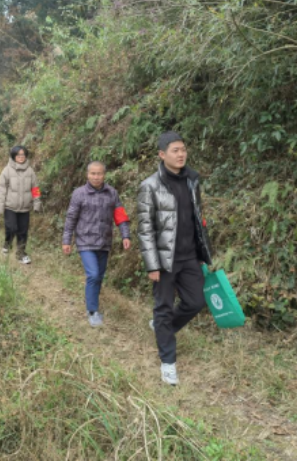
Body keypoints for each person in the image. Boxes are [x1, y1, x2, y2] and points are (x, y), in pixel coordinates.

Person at [137, 131, 214, 385]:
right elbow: (145, 228)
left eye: (183, 149)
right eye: (175, 151)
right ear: (162, 155)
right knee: (164, 307)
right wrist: (152, 265)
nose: (181, 154)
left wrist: (202, 251)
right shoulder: (150, 186)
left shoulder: (192, 179)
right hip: (164, 260)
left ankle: (163, 328)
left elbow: (197, 217)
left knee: (196, 302)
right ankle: (168, 362)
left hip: (190, 256)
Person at [62, 161, 131, 327]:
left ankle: (91, 299)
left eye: (99, 173)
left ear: (104, 175)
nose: (96, 177)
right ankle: (92, 311)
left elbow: (120, 215)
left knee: (99, 276)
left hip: (104, 242)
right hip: (85, 241)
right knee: (93, 274)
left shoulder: (112, 193)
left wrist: (125, 235)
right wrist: (66, 240)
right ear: (87, 175)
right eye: (93, 173)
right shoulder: (79, 193)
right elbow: (71, 218)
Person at [0, 145, 42, 264]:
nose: (21, 157)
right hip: (10, 206)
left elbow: (35, 188)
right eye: (18, 155)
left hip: (25, 208)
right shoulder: (7, 170)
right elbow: (1, 189)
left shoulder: (30, 171)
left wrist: (37, 203)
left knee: (23, 231)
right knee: (11, 228)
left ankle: (21, 254)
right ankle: (7, 243)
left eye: (23, 155)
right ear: (13, 156)